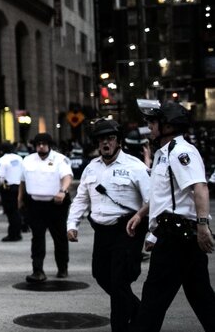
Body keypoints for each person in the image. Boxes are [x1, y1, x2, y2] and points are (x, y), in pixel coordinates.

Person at [126, 99, 215, 332]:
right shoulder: (163, 153)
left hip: (178, 237)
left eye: (153, 122)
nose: (149, 126)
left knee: (153, 299)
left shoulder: (181, 152)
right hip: (173, 233)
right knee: (201, 297)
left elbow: (200, 188)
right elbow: (163, 195)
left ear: (168, 125)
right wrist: (143, 215)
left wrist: (203, 226)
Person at [67, 119, 150, 332]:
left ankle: (120, 327)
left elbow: (152, 201)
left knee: (118, 280)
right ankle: (139, 312)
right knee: (101, 275)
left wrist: (152, 234)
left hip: (127, 229)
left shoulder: (135, 166)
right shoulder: (90, 168)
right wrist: (72, 223)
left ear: (118, 141)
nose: (106, 143)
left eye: (110, 138)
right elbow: (81, 198)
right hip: (102, 231)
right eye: (101, 139)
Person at [18, 132, 74, 282]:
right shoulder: (28, 160)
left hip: (56, 205)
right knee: (37, 238)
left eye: (44, 144)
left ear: (49, 145)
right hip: (35, 204)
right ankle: (38, 271)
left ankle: (62, 268)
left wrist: (63, 191)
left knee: (60, 237)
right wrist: (20, 199)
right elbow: (22, 182)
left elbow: (67, 177)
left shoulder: (60, 159)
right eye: (38, 144)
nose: (41, 147)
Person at [0, 141, 24, 242]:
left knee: (11, 212)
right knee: (17, 211)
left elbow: (0, 177)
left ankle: (13, 234)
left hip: (8, 188)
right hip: (20, 186)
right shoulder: (19, 158)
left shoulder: (2, 160)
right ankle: (18, 232)